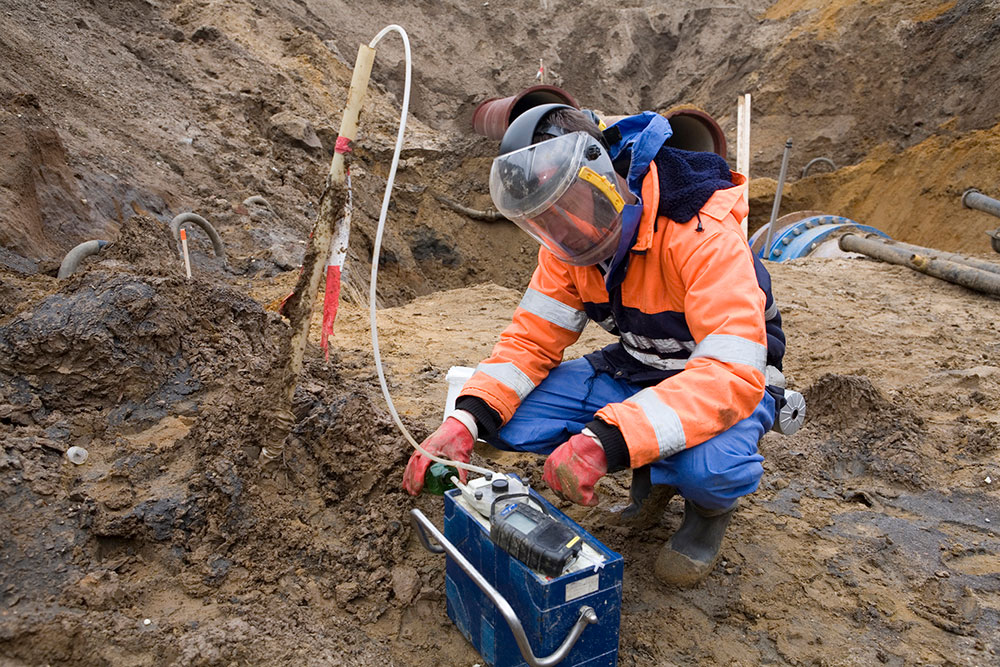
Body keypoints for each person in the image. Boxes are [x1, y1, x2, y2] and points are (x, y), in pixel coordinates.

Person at [403, 104, 786, 586]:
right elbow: (529, 342)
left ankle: (705, 517)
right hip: (640, 364)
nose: (561, 231)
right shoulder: (565, 247)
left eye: (568, 206)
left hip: (729, 382)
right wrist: (465, 420)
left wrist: (608, 441)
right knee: (503, 422)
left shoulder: (700, 231)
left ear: (603, 175)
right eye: (545, 220)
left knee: (709, 470)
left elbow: (731, 373)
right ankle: (651, 474)